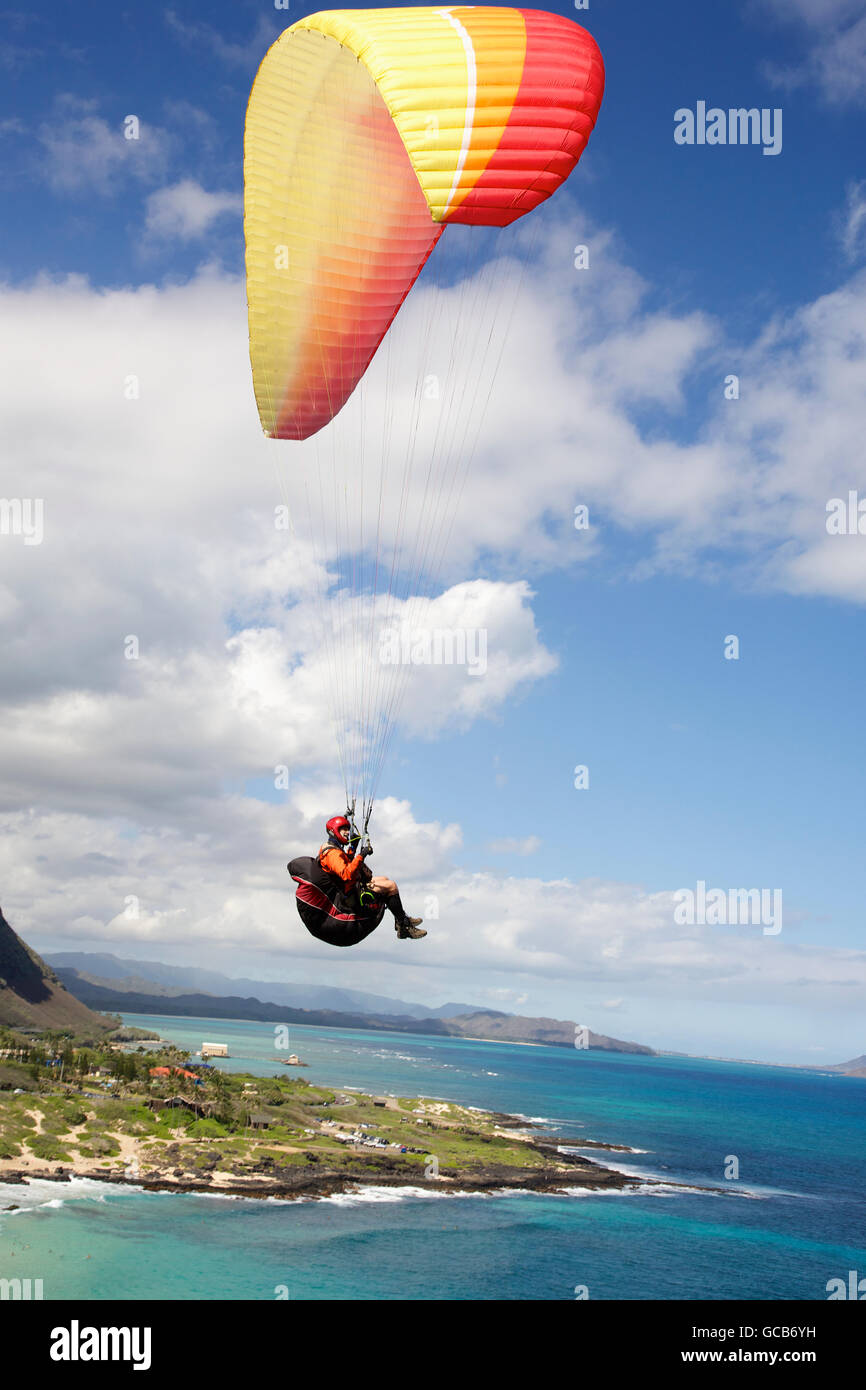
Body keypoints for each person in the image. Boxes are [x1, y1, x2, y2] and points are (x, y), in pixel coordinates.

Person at [319, 815, 426, 940]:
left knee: (385, 879)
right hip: (349, 896)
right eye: (344, 829)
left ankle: (401, 918)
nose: (347, 832)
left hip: (349, 888)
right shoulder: (332, 853)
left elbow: (344, 864)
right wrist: (361, 855)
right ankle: (404, 926)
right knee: (391, 886)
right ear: (334, 830)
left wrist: (352, 847)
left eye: (347, 829)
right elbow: (347, 875)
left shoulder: (333, 848)